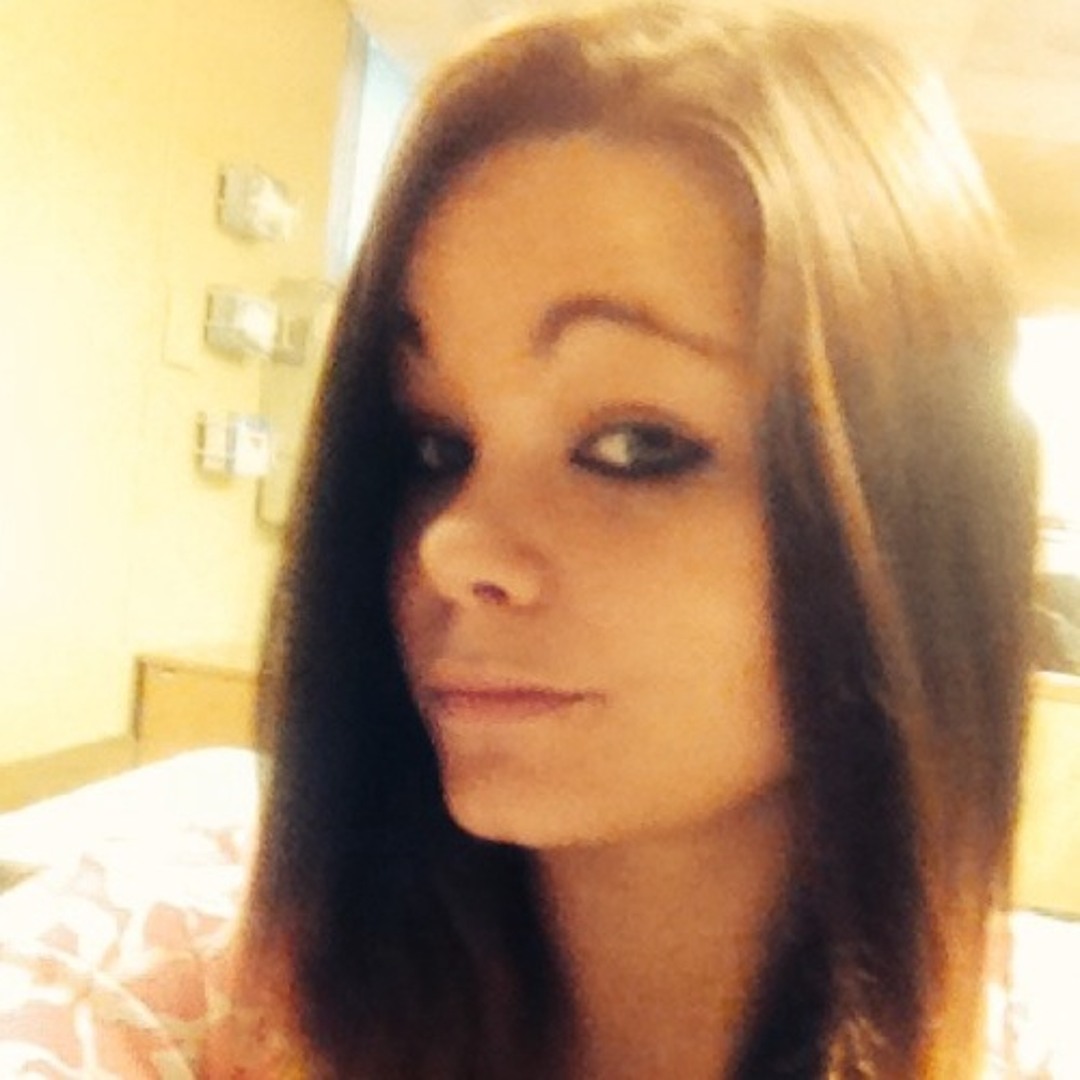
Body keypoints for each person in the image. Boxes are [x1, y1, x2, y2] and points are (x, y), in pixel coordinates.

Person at [0, 2, 1047, 1078]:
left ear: (914, 511)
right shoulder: (174, 971)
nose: (452, 546)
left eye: (636, 445)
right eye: (431, 445)